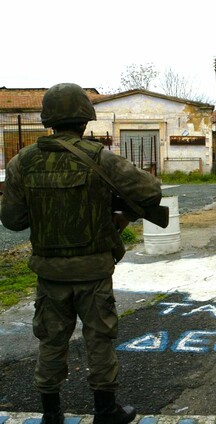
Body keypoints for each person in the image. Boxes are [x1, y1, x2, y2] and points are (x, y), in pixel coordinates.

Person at [0, 83, 163, 424]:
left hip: (49, 272)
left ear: (48, 119)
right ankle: (106, 411)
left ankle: (51, 413)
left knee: (51, 340)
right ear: (85, 119)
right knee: (99, 338)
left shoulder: (22, 162)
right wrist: (118, 214)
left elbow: (13, 221)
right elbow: (150, 190)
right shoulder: (99, 158)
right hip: (93, 270)